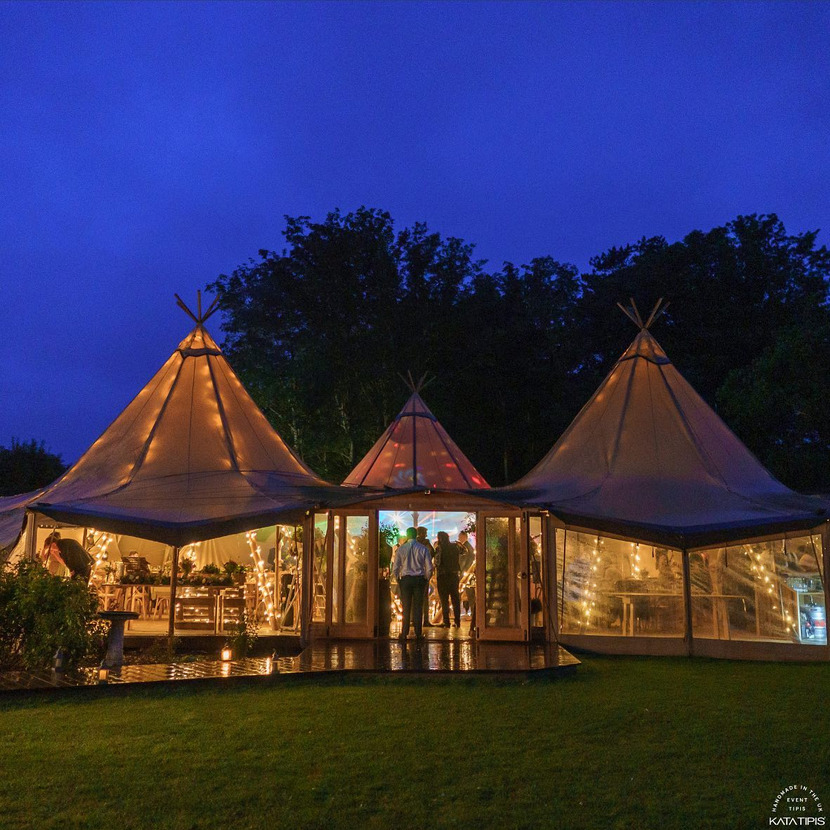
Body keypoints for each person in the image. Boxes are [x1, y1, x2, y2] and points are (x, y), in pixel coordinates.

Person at [390, 527, 433, 641]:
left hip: (405, 579)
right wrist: (426, 579)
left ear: (407, 535)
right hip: (419, 579)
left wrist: (398, 579)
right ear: (416, 535)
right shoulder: (423, 549)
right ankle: (418, 634)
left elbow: (395, 567)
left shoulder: (401, 549)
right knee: (418, 607)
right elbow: (429, 568)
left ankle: (404, 633)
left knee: (406, 606)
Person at [434, 531, 462, 628]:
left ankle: (446, 622)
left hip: (443, 576)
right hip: (454, 576)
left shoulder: (439, 548)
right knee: (455, 599)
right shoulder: (455, 547)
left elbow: (437, 562)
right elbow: (464, 551)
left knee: (444, 600)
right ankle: (457, 621)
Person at [416, 527, 436, 627]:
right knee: (424, 598)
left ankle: (415, 621)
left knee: (416, 599)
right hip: (423, 574)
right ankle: (425, 621)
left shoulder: (412, 544)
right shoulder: (426, 545)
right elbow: (431, 554)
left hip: (414, 574)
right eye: (425, 533)